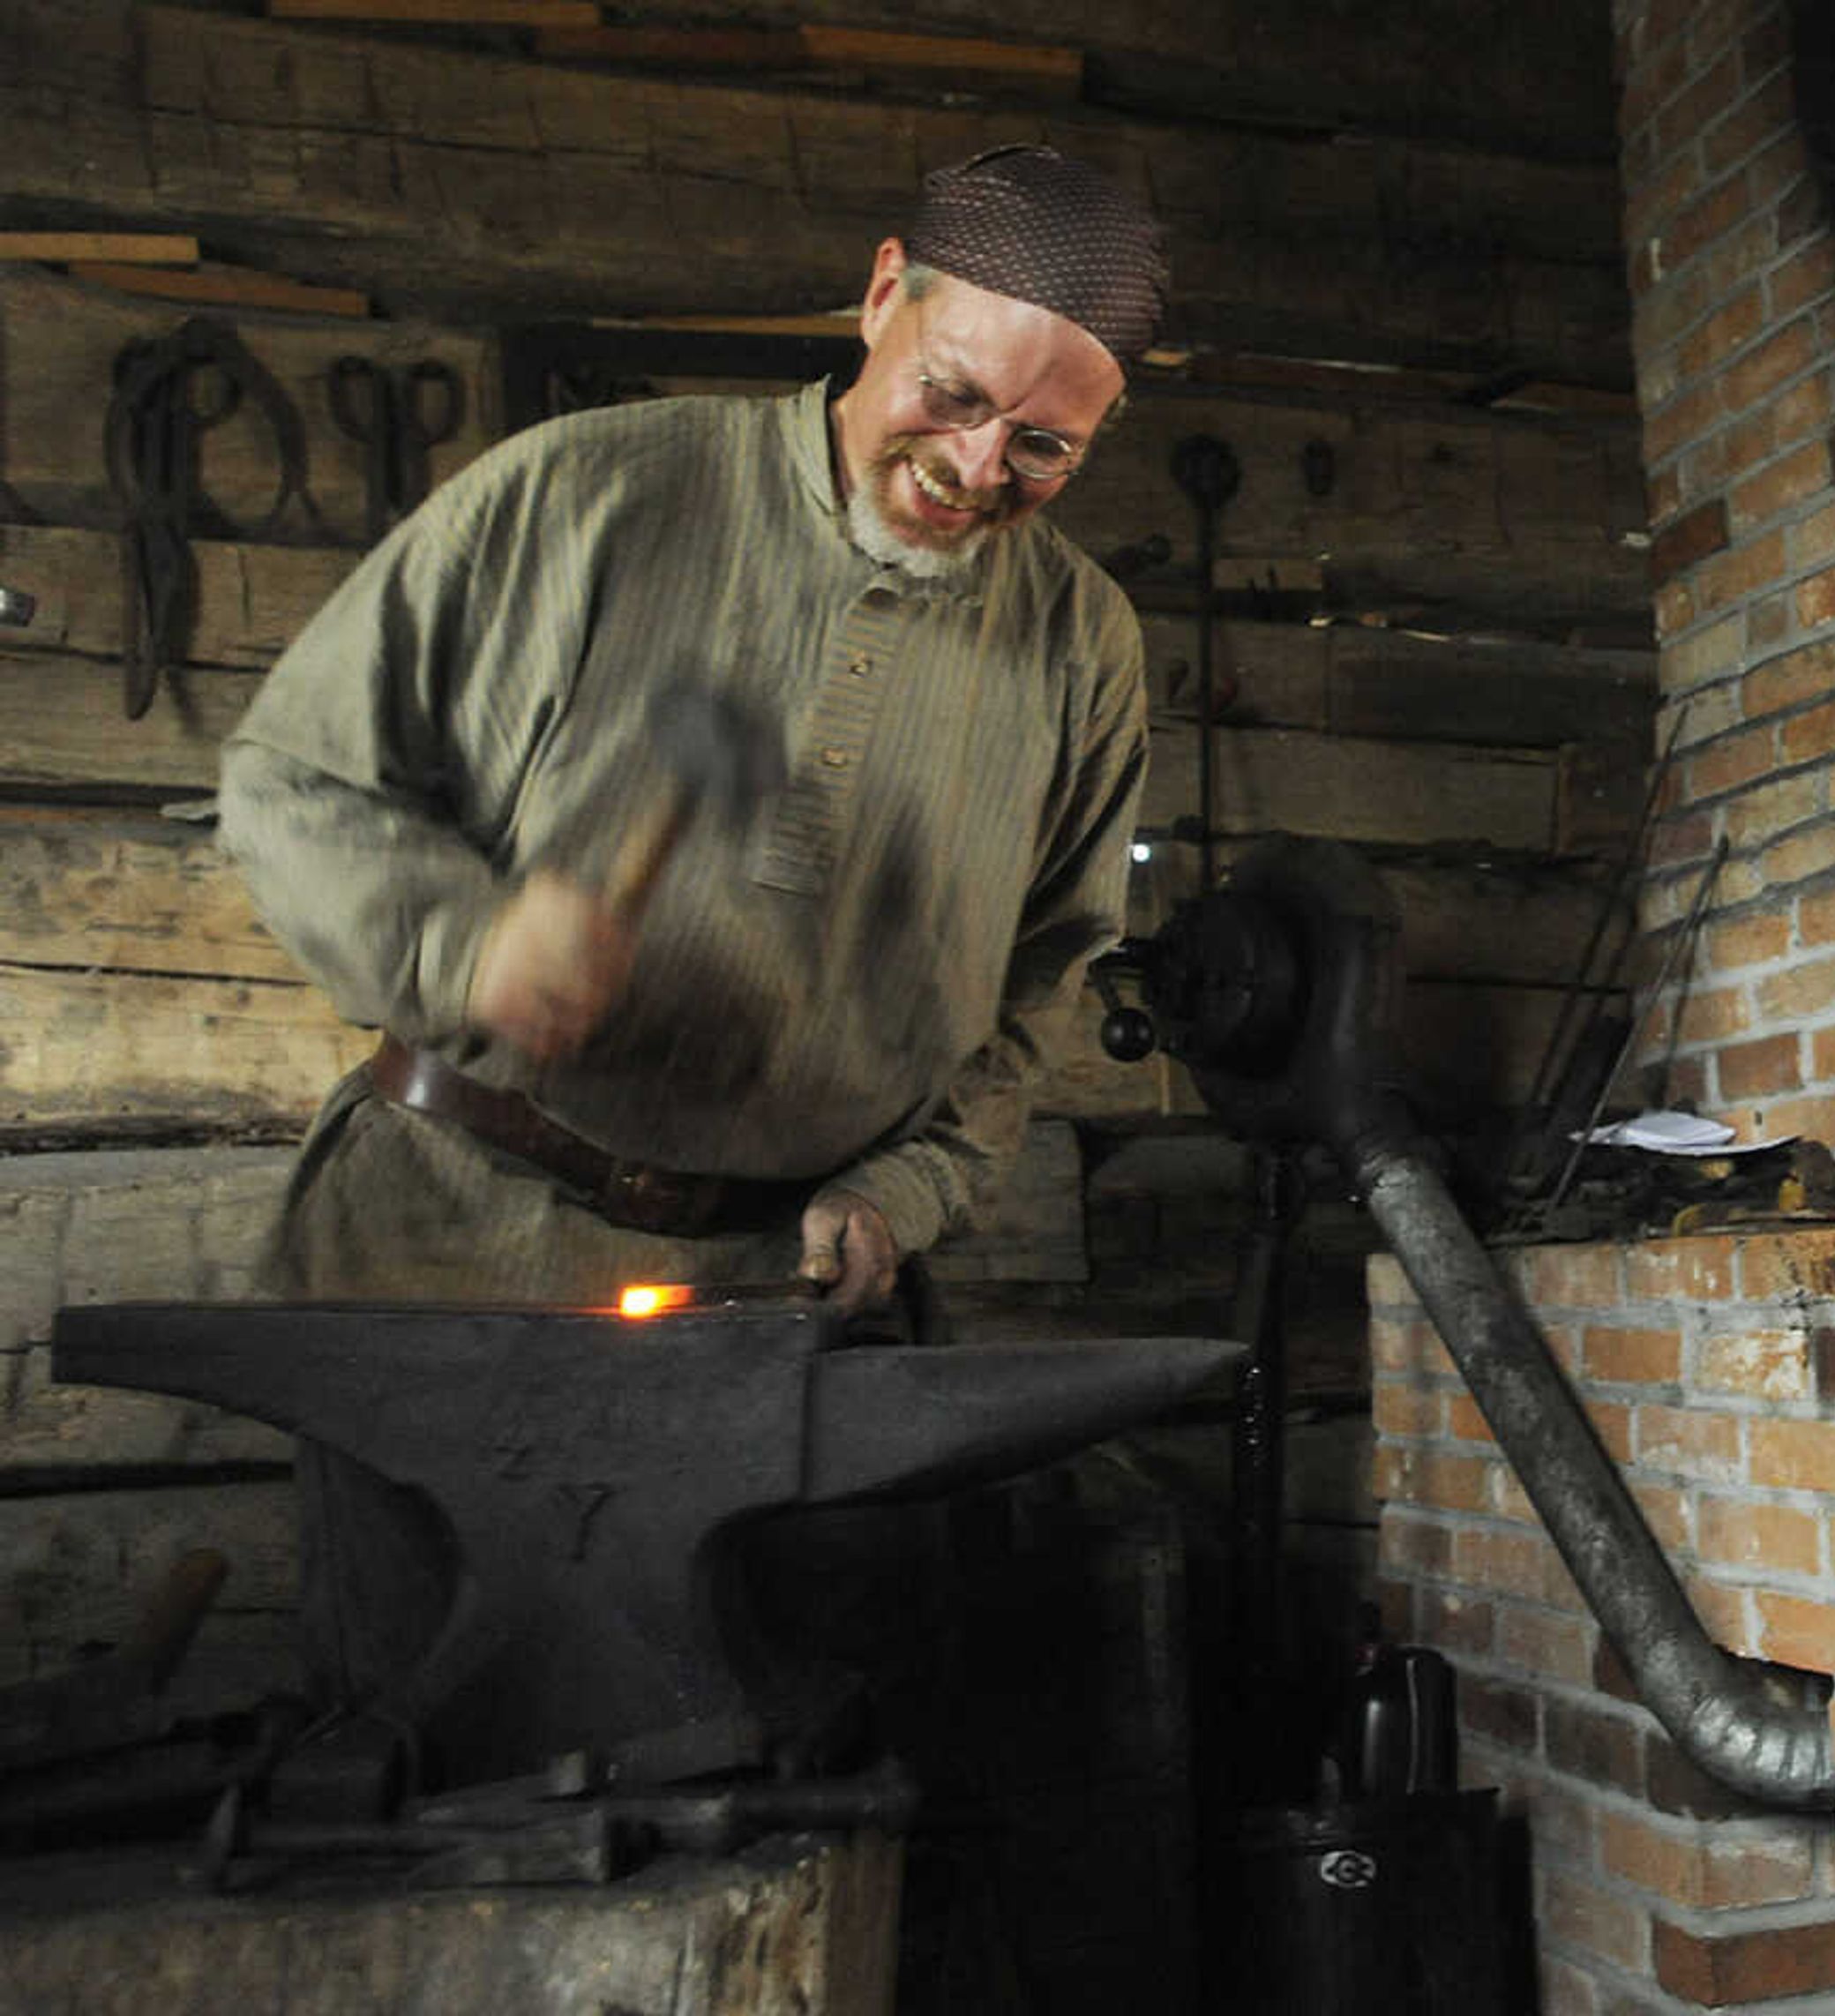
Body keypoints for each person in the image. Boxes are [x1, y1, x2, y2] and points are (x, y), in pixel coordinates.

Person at [214, 145, 1166, 1721]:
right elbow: (292, 779)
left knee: (773, 1798)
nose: (978, 466)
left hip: (782, 1317)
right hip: (454, 1259)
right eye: (952, 396)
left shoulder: (1083, 648)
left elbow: (1037, 987)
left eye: (1045, 449)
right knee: (423, 1782)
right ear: (881, 297)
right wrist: (465, 948)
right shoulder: (586, 495)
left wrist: (906, 1183)